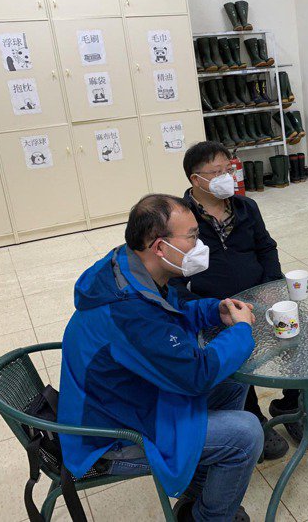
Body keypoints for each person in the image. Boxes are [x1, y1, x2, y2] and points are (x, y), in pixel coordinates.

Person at [58, 194, 263, 522]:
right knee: (246, 434)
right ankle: (207, 517)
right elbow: (196, 375)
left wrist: (214, 311)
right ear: (159, 246)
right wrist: (240, 331)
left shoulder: (130, 269)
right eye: (192, 237)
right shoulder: (127, 310)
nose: (199, 245)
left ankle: (200, 482)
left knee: (233, 380)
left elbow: (172, 313)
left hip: (136, 399)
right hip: (113, 435)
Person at [169, 141, 308, 460]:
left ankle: (290, 404)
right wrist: (208, 307)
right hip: (217, 309)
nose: (227, 177)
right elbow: (173, 280)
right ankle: (253, 417)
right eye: (217, 172)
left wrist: (271, 284)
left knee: (296, 334)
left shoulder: (245, 207)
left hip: (261, 295)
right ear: (196, 179)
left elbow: (266, 247)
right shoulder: (180, 220)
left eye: (228, 169)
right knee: (237, 354)